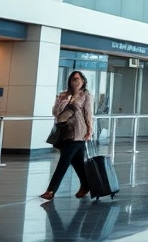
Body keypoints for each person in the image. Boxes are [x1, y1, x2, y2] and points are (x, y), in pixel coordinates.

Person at [41, 70, 94, 201]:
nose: (75, 81)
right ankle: (86, 185)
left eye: (77, 79)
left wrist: (89, 130)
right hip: (64, 132)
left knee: (64, 161)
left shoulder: (85, 95)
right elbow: (55, 112)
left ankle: (51, 190)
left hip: (78, 132)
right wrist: (62, 102)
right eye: (72, 79)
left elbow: (88, 113)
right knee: (77, 162)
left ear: (83, 81)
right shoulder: (64, 95)